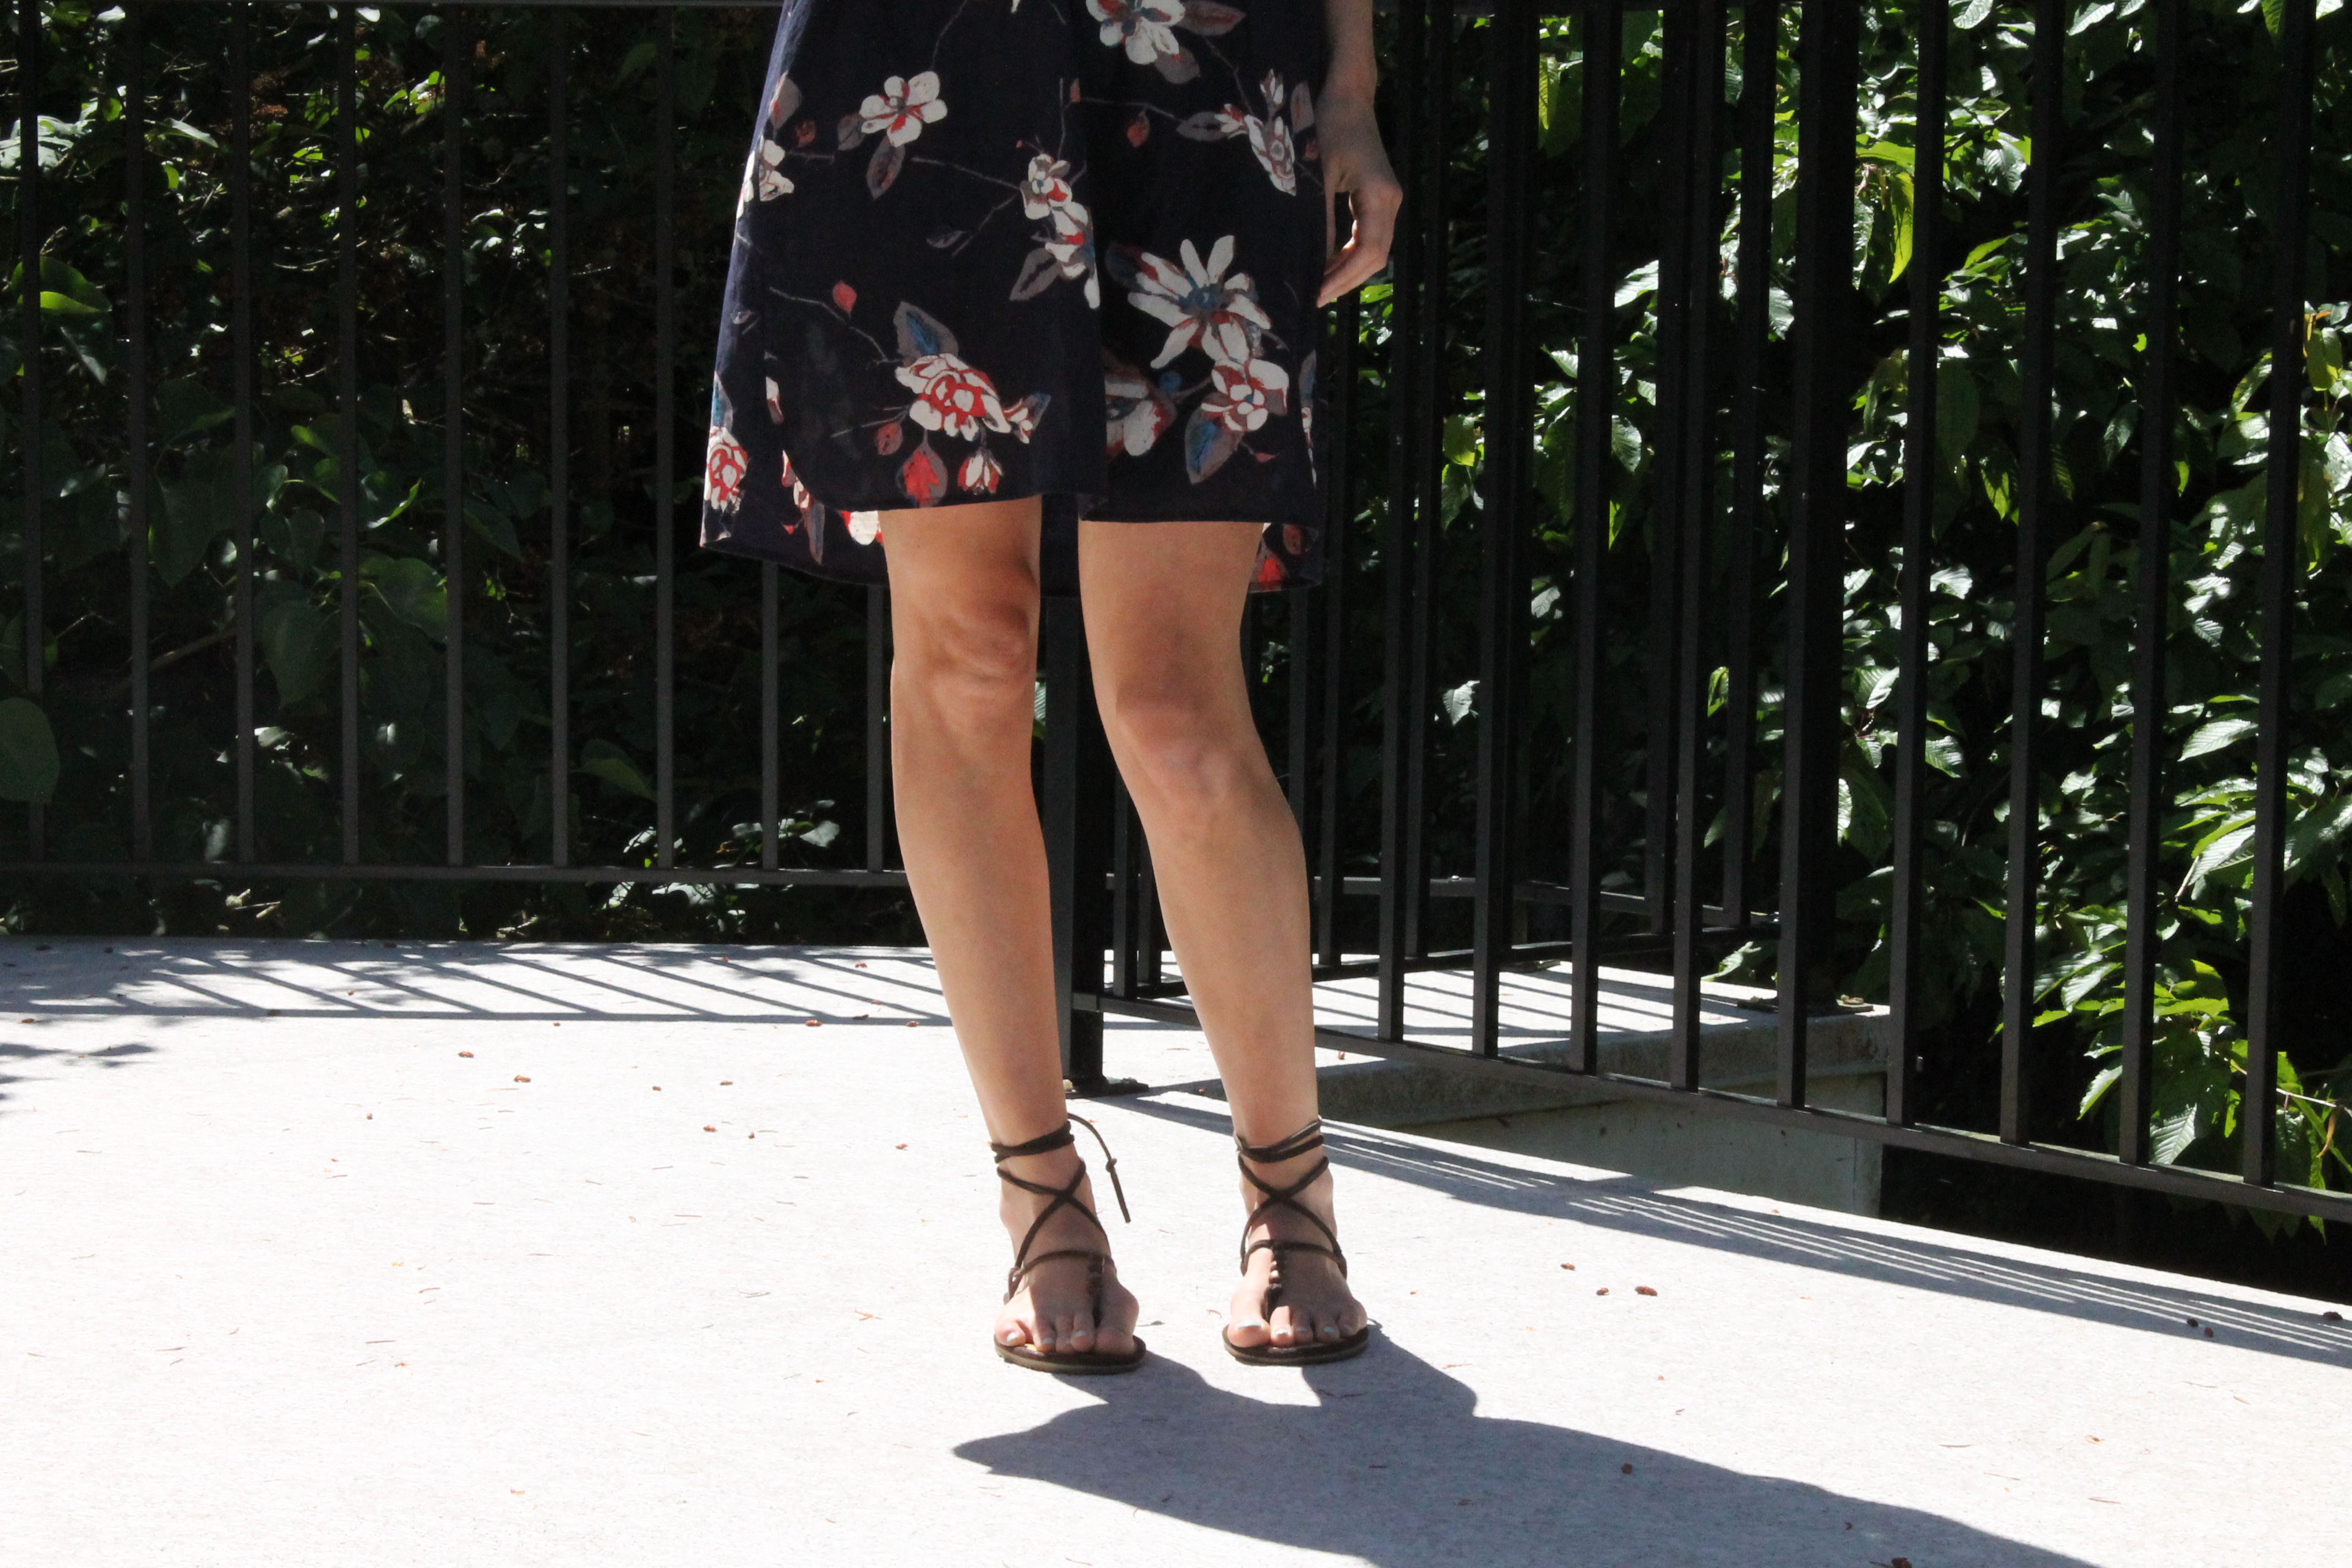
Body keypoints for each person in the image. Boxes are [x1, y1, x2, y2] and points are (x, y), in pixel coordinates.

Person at [700, 0, 1400, 1372]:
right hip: (918, 63)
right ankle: (1039, 1188)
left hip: (1194, 65)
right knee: (966, 655)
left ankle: (1290, 1186)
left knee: (1174, 705)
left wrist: (1354, 86)